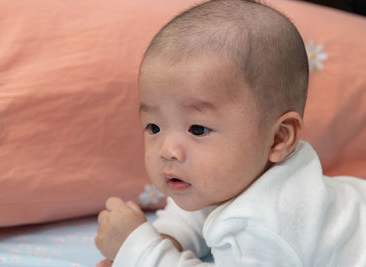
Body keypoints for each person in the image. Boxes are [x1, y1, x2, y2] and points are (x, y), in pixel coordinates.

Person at [95, 0, 366, 266]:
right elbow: (201, 208)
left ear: (279, 138)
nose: (167, 150)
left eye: (198, 129)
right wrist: (167, 240)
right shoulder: (235, 178)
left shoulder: (266, 226)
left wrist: (141, 251)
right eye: (154, 127)